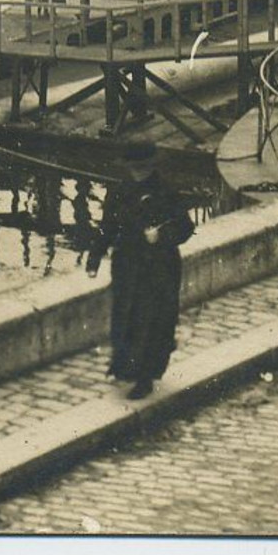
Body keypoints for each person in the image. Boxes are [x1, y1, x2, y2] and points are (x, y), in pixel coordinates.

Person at [86, 142, 194, 400]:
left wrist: (162, 236)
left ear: (151, 167)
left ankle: (145, 377)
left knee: (152, 320)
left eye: (142, 168)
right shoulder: (120, 190)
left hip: (158, 266)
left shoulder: (166, 190)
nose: (138, 173)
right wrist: (95, 255)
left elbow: (185, 227)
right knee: (124, 316)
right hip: (127, 263)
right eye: (134, 168)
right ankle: (123, 367)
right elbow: (107, 226)